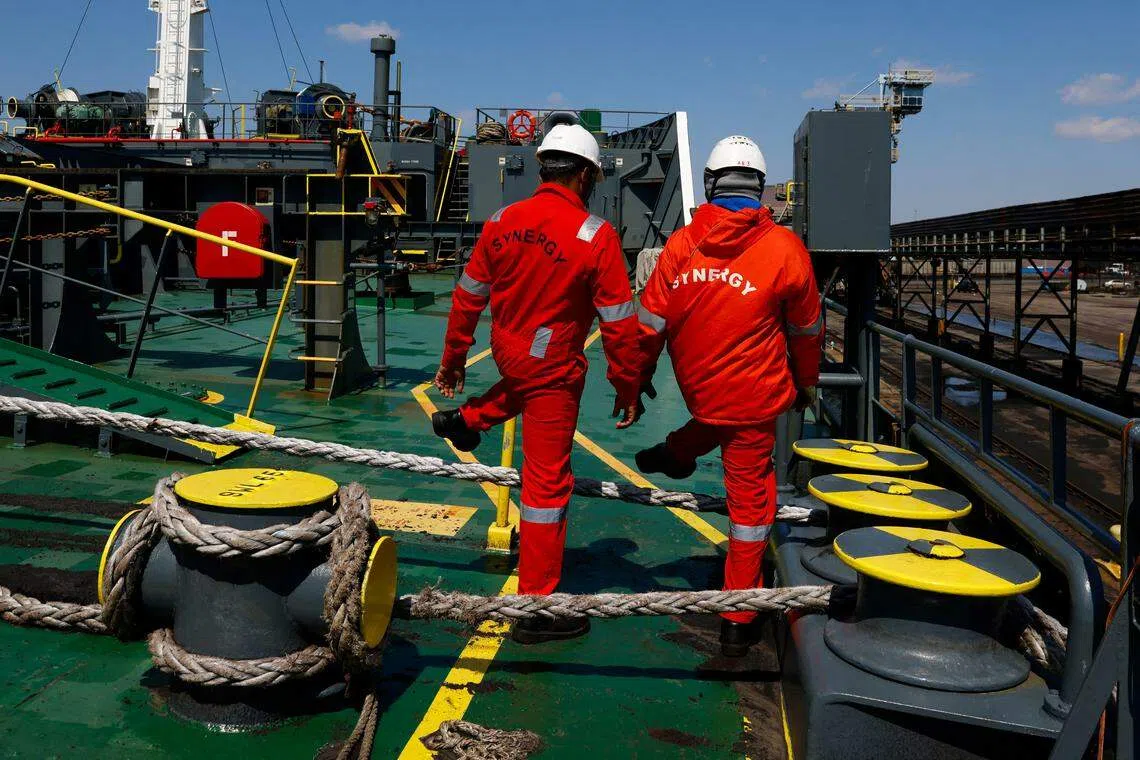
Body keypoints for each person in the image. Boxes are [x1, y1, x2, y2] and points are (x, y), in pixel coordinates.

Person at [431, 123, 643, 644]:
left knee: (537, 378)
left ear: (544, 167)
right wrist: (628, 384)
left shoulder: (503, 220)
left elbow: (467, 296)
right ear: (588, 175)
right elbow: (618, 323)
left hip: (508, 349)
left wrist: (455, 360)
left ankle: (464, 420)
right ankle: (537, 606)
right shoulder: (596, 236)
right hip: (550, 361)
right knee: (547, 486)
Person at [633, 135, 822, 657]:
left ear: (711, 184)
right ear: (760, 189)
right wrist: (807, 382)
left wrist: (634, 381)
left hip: (698, 389)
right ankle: (738, 615)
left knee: (723, 410)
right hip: (754, 397)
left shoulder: (679, 247)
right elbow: (807, 329)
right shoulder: (784, 248)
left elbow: (648, 325)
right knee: (751, 504)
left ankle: (675, 451)